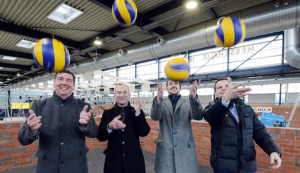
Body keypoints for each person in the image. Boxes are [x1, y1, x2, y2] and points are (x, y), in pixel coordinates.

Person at [18, 70, 98, 173]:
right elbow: (22, 140)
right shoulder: (39, 106)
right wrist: (31, 130)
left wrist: (85, 125)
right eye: (60, 79)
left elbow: (94, 133)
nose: (64, 83)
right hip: (47, 167)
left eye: (69, 80)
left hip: (76, 166)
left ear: (73, 86)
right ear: (54, 84)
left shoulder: (83, 106)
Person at [204, 77, 282, 173]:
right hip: (224, 167)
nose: (223, 88)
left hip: (247, 166)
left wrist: (273, 150)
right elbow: (210, 116)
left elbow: (259, 132)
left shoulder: (247, 109)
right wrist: (225, 98)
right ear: (215, 93)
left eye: (227, 86)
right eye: (219, 87)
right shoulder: (212, 108)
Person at [151, 79, 203, 173]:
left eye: (176, 84)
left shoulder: (188, 102)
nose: (173, 85)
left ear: (180, 87)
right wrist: (158, 100)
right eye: (170, 84)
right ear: (166, 88)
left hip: (185, 151)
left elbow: (198, 116)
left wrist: (194, 99)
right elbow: (155, 116)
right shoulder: (161, 102)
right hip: (166, 151)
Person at [97, 83, 150, 173]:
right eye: (119, 92)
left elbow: (144, 132)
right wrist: (110, 126)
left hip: (134, 161)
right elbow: (100, 137)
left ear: (129, 95)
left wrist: (138, 114)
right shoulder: (108, 113)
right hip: (114, 162)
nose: (121, 95)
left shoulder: (136, 112)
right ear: (115, 95)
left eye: (124, 92)